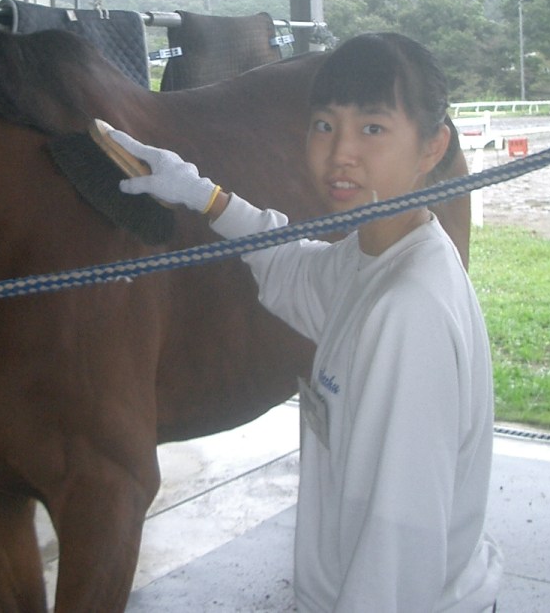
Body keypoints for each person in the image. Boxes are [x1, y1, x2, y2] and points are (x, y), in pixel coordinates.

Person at [110, 32, 502, 612]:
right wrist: (203, 195)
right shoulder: (375, 256)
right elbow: (294, 265)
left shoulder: (407, 311)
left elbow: (397, 551)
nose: (341, 152)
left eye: (372, 128)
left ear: (432, 147)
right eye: (325, 125)